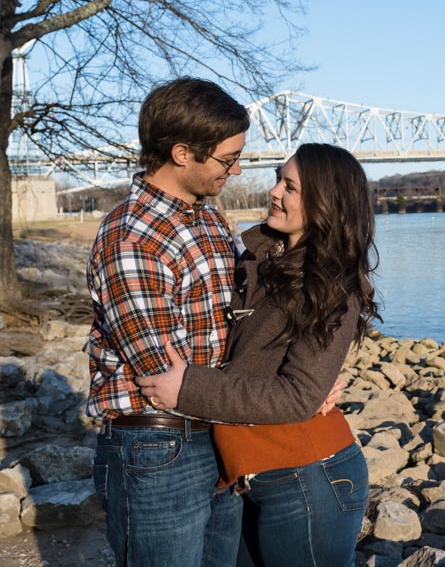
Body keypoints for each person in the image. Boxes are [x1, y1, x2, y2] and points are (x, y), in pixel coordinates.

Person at [136, 143, 381, 567]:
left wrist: (188, 388)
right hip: (255, 472)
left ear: (326, 201)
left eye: (290, 186)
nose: (273, 192)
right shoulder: (263, 261)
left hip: (309, 478)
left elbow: (297, 396)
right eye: (277, 180)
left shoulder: (332, 283)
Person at [86, 77, 250, 566]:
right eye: (227, 159)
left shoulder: (209, 220)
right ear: (182, 153)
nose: (237, 170)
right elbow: (162, 373)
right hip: (157, 447)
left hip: (216, 430)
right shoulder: (132, 237)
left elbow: (244, 319)